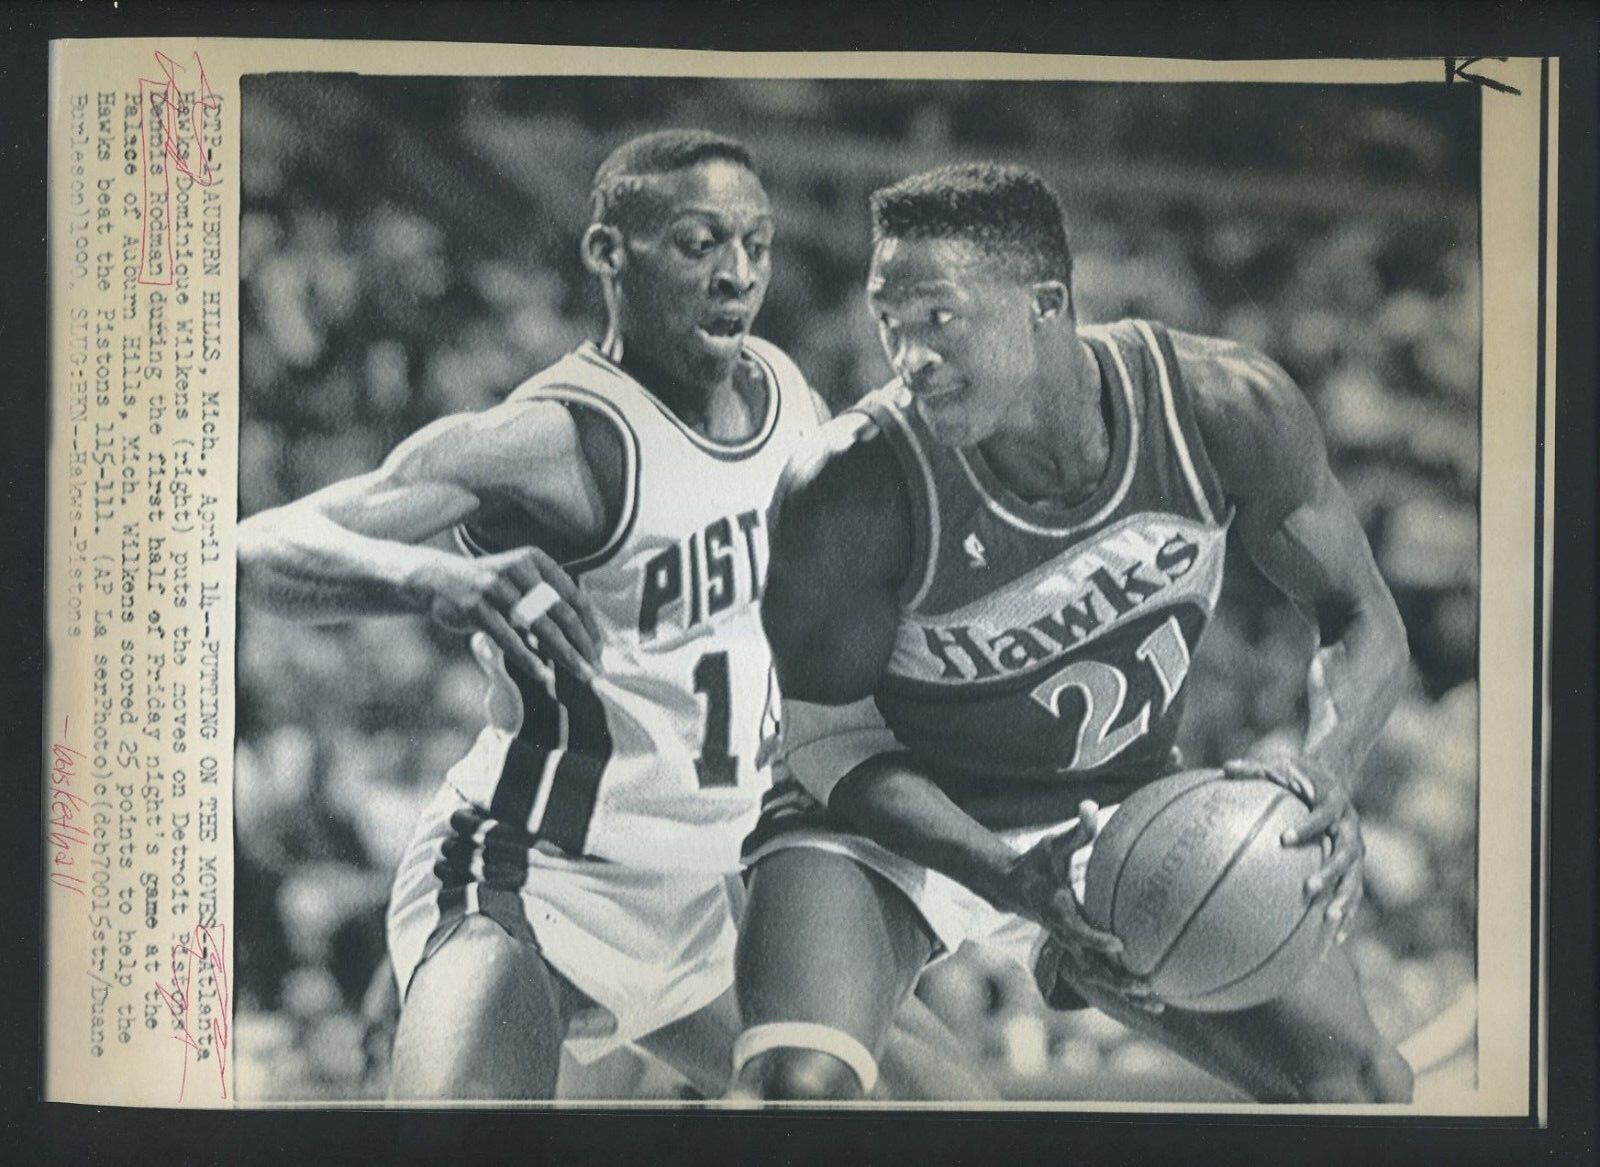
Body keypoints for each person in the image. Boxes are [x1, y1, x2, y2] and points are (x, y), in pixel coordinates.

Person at [239, 130, 989, 1101]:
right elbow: (253, 549)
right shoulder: (554, 439)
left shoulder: (790, 396)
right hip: (542, 870)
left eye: (755, 245)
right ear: (607, 254)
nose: (736, 274)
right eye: (697, 243)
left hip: (718, 880)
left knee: (962, 1116)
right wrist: (431, 582)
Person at [734, 162, 1416, 1104]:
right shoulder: (851, 485)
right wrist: (1007, 876)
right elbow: (827, 742)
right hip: (892, 812)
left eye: (938, 317)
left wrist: (1328, 768)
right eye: (890, 323)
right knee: (799, 1089)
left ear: (1044, 302)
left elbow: (1362, 616)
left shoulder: (1222, 408)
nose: (909, 355)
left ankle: (1055, 972)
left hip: (1113, 814)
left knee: (1361, 1083)